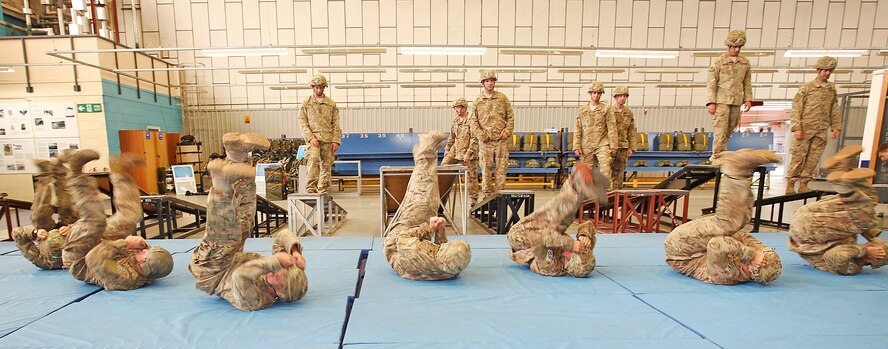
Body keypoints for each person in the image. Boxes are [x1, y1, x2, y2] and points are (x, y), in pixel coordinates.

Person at [190, 132, 308, 311]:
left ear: (279, 290)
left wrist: (275, 261)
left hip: (211, 270)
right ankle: (236, 155)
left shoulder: (257, 300)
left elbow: (240, 276)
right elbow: (282, 236)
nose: (274, 271)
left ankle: (221, 185)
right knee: (245, 221)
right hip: (233, 256)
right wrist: (293, 250)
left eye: (277, 276)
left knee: (228, 238)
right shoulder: (280, 275)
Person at [664, 149, 782, 285]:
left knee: (727, 224)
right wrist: (760, 251)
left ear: (752, 271)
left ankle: (735, 169)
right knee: (740, 221)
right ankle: (742, 172)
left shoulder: (727, 275)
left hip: (681, 249)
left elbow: (717, 244)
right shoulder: (745, 266)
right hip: (694, 247)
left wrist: (752, 255)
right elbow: (742, 237)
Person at [61, 150, 173, 290]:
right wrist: (136, 244)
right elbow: (137, 249)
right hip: (106, 244)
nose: (144, 250)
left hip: (80, 256)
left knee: (96, 221)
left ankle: (75, 172)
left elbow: (93, 257)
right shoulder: (145, 263)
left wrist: (126, 244)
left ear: (143, 265)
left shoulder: (124, 278)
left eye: (145, 253)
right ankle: (120, 174)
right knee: (130, 216)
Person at [383, 131, 472, 280]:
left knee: (421, 198)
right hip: (411, 250)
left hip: (395, 245)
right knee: (430, 199)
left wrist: (429, 228)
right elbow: (439, 249)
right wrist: (440, 230)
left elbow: (402, 239)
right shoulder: (451, 268)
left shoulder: (420, 254)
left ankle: (426, 145)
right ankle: (423, 153)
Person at [789, 145, 888, 275]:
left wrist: (864, 250)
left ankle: (843, 186)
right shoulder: (850, 242)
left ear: (870, 260)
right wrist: (873, 238)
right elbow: (859, 228)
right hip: (813, 218)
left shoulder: (852, 266)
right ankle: (842, 168)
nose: (869, 246)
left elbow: (834, 255)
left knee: (863, 219)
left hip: (810, 230)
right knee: (869, 199)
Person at [507, 163, 609, 277]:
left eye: (573, 253)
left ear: (567, 262)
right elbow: (588, 225)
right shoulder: (583, 256)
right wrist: (584, 236)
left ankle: (575, 187)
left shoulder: (551, 267)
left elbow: (544, 240)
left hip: (522, 239)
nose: (576, 249)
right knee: (563, 217)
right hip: (549, 232)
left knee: (554, 218)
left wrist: (570, 244)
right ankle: (576, 187)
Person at [785, 56, 842, 194]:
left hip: (821, 129)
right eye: (825, 70)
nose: (828, 73)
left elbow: (834, 108)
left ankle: (804, 183)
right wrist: (797, 127)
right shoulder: (807, 88)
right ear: (818, 70)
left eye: (830, 71)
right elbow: (797, 107)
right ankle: (791, 184)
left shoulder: (831, 89)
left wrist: (836, 126)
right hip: (805, 128)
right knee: (798, 157)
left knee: (813, 159)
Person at [11, 158, 76, 270]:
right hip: (70, 234)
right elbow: (96, 232)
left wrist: (35, 233)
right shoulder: (77, 261)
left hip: (45, 231)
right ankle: (60, 174)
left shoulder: (42, 261)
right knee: (68, 209)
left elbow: (17, 234)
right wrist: (73, 228)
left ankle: (45, 175)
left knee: (39, 215)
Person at [706, 30, 754, 159]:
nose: (737, 49)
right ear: (728, 46)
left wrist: (748, 99)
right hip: (722, 101)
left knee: (729, 130)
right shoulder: (719, 62)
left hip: (736, 102)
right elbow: (712, 83)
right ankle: (716, 157)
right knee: (720, 131)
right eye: (734, 46)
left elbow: (747, 82)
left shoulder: (745, 63)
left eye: (739, 47)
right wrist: (711, 102)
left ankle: (721, 154)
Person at [470, 70, 515, 200]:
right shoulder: (478, 101)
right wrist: (481, 135)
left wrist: (507, 132)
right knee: (486, 170)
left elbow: (510, 116)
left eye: (492, 81)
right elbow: (473, 121)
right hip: (486, 142)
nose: (490, 83)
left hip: (501, 140)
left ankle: (500, 196)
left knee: (501, 170)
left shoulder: (502, 98)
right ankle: (487, 197)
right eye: (487, 81)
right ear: (483, 83)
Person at [298, 74, 342, 195]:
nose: (319, 90)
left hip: (328, 139)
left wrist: (336, 140)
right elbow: (302, 121)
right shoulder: (306, 103)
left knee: (326, 165)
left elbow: (336, 123)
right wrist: (310, 137)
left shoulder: (331, 104)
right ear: (312, 87)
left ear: (324, 88)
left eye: (321, 87)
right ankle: (311, 187)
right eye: (316, 87)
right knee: (312, 160)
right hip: (313, 139)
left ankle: (323, 188)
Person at [574, 81, 617, 187]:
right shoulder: (582, 110)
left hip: (602, 143)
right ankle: (587, 195)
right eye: (594, 93)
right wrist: (576, 146)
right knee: (586, 172)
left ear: (601, 94)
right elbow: (578, 128)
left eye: (599, 93)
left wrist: (613, 145)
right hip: (586, 145)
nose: (596, 95)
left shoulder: (606, 109)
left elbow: (612, 127)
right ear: (590, 93)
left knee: (605, 167)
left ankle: (607, 193)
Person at [441, 97, 480, 204]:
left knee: (472, 176)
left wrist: (468, 153)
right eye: (455, 108)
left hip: (468, 151)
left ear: (464, 107)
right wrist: (447, 149)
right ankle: (442, 195)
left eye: (458, 107)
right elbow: (452, 137)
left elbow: (474, 139)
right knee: (443, 166)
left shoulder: (472, 120)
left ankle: (474, 200)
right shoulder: (456, 120)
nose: (456, 110)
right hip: (456, 149)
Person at [610, 85, 637, 190]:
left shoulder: (628, 113)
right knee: (607, 171)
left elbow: (631, 132)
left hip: (623, 147)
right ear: (615, 97)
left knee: (619, 172)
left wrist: (631, 148)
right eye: (620, 95)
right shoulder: (609, 111)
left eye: (625, 96)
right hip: (610, 146)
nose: (622, 98)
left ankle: (616, 196)